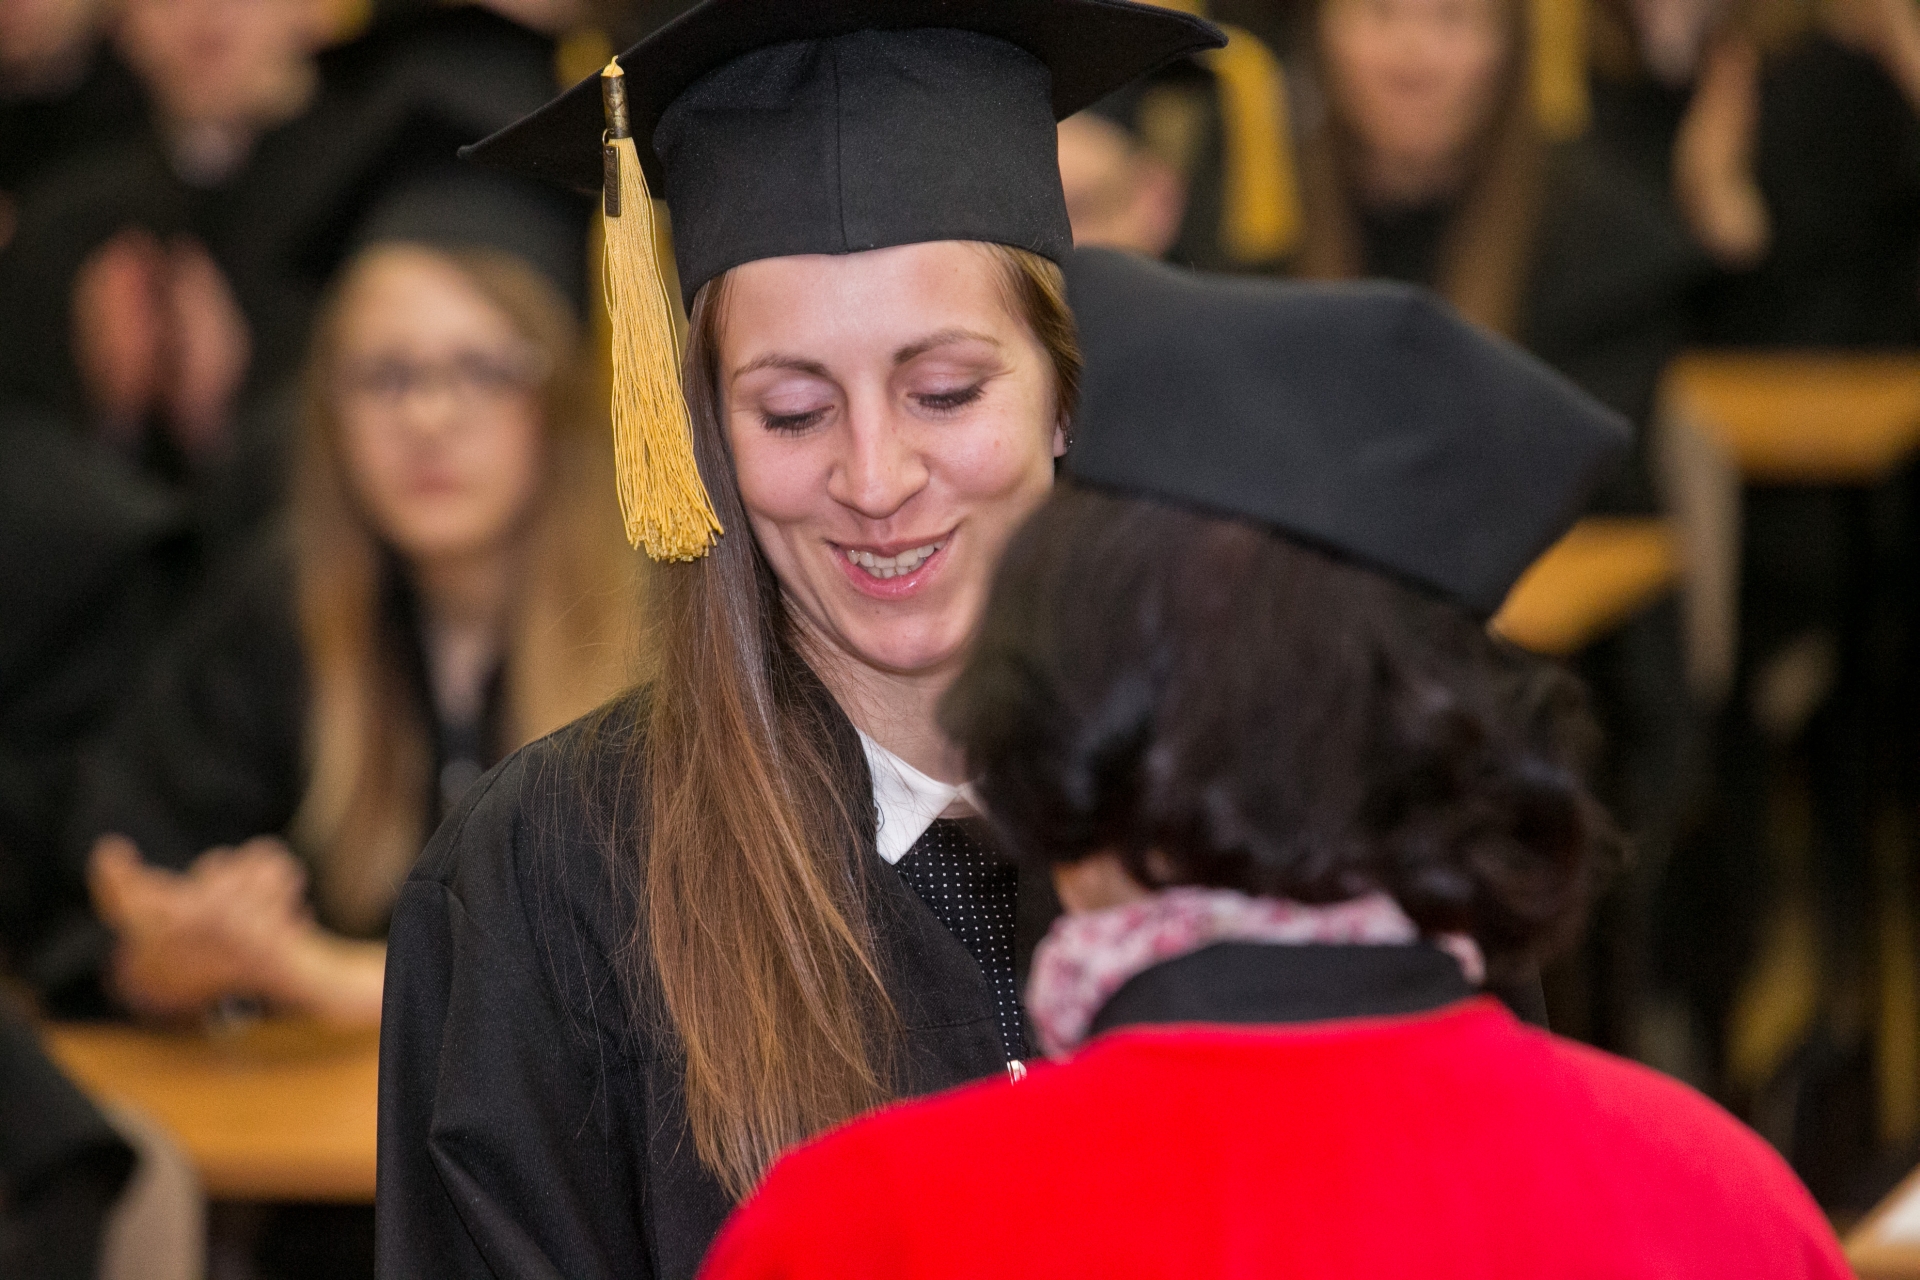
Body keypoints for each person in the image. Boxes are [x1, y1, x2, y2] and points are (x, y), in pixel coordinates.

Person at [696, 247, 1852, 1280]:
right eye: (795, 410)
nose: (875, 477)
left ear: (1068, 726)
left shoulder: (859, 1229)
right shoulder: (1719, 1207)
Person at [374, 2, 1222, 1276]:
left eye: (945, 391)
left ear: (1063, 390)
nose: (875, 478)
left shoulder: (1266, 807)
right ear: (706, 435)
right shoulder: (550, 886)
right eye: (790, 411)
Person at [67, 169, 636, 1029]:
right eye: (385, 376)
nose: (429, 419)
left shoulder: (666, 639)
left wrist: (320, 975)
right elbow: (107, 895)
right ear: (329, 409)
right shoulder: (277, 616)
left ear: (560, 402)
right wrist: (167, 955)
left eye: (484, 370)